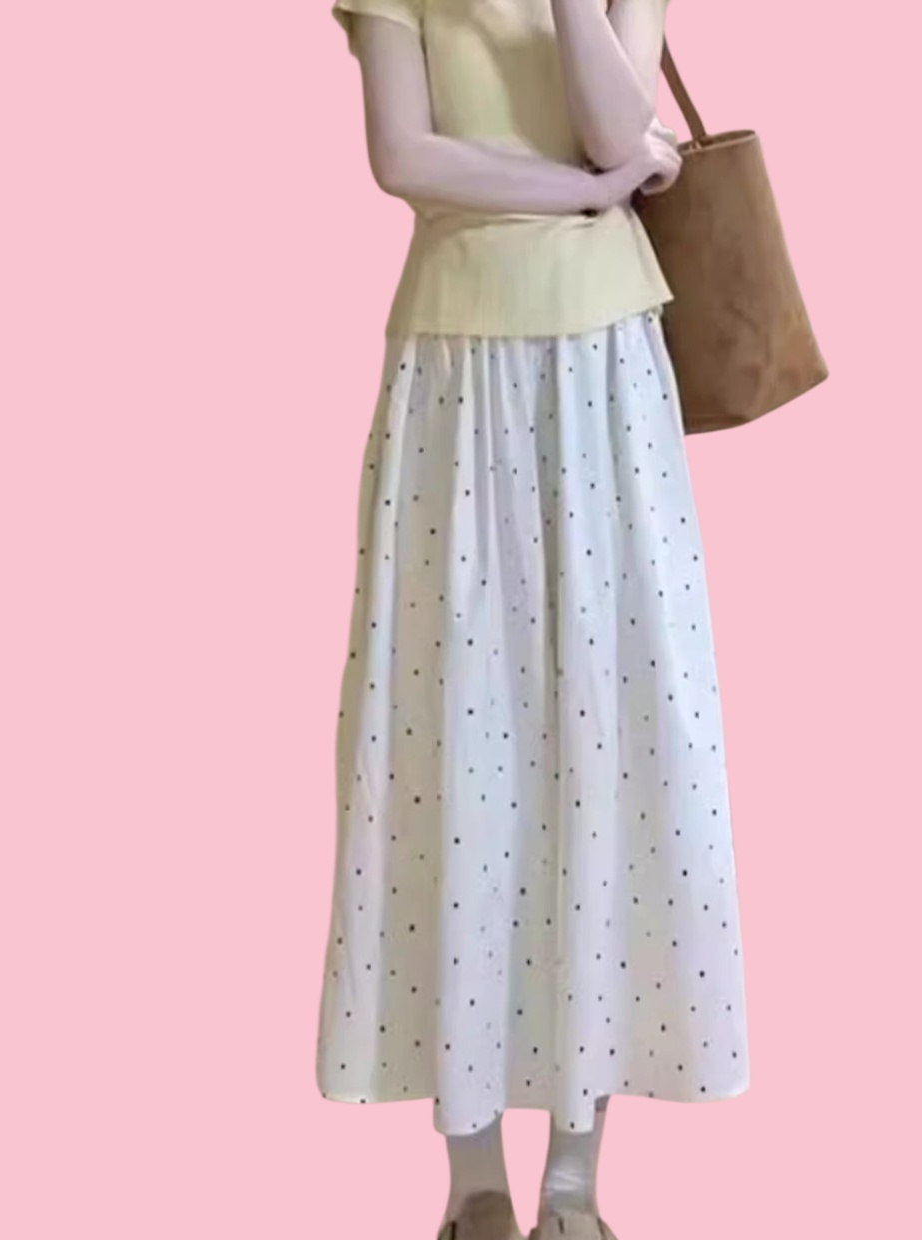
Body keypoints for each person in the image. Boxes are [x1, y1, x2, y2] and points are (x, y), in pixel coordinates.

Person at [315, 3, 750, 1237]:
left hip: (606, 367)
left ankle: (572, 1185)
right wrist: (591, 192)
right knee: (448, 745)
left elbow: (616, 121)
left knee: (602, 742)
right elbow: (404, 157)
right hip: (452, 366)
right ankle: (472, 1187)